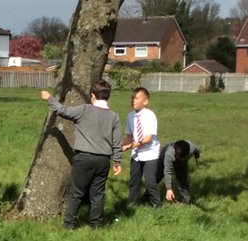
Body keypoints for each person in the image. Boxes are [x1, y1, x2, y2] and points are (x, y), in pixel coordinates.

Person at [40, 80, 122, 228]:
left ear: (92, 95)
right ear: (108, 96)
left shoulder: (84, 110)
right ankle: (95, 224)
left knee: (76, 192)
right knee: (98, 194)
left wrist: (49, 98)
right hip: (103, 160)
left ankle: (69, 224)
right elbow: (117, 142)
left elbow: (63, 111)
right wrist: (117, 162)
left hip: (84, 158)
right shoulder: (113, 117)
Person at [123, 87, 161, 207]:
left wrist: (133, 145)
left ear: (145, 101)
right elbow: (129, 136)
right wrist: (121, 145)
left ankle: (157, 206)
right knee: (134, 182)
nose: (133, 101)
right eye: (132, 98)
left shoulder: (150, 115)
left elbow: (148, 138)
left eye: (137, 98)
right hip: (136, 154)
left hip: (150, 153)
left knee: (150, 183)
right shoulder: (130, 116)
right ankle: (131, 206)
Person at [158, 139, 201, 204]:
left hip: (182, 165)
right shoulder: (169, 154)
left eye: (183, 158)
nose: (181, 160)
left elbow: (196, 151)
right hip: (164, 159)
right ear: (174, 151)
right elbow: (167, 172)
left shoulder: (192, 148)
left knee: (183, 181)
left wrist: (197, 155)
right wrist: (169, 189)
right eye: (179, 158)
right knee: (156, 177)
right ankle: (147, 197)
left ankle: (187, 202)